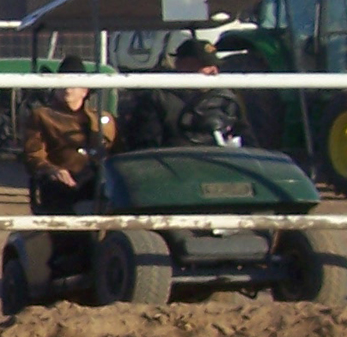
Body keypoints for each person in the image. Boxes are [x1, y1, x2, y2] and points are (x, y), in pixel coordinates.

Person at [20, 55, 115, 213]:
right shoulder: (42, 116)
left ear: (85, 90)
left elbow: (117, 152)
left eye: (74, 83)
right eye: (62, 82)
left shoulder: (104, 119)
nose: (68, 88)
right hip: (61, 183)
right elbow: (33, 155)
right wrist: (52, 170)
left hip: (100, 182)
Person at [117, 38, 248, 150]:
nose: (213, 71)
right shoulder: (158, 97)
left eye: (215, 65)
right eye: (204, 65)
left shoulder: (227, 98)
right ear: (181, 64)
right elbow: (146, 145)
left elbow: (246, 137)